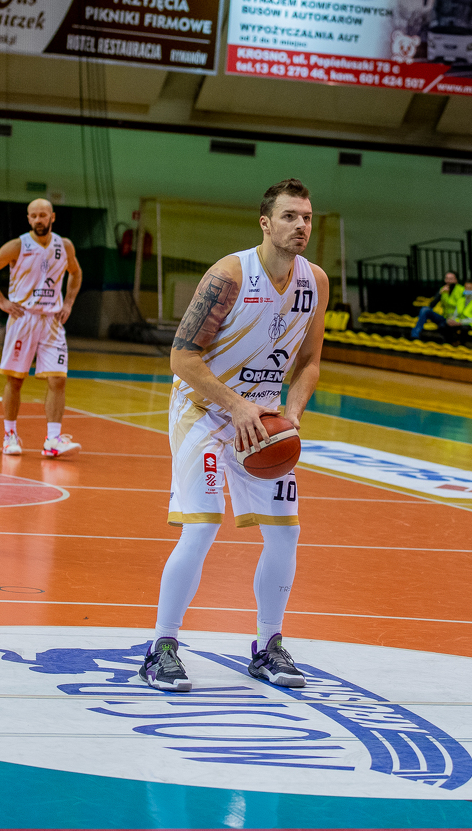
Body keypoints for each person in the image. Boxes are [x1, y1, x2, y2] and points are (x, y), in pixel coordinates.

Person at [140, 178, 329, 692]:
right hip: (205, 410)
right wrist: (236, 405)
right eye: (289, 216)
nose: (301, 226)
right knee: (202, 527)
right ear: (265, 223)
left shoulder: (315, 281)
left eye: (307, 217)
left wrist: (293, 411)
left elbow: (310, 360)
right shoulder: (229, 275)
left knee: (285, 532)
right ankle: (161, 648)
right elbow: (182, 358)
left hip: (262, 422)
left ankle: (269, 646)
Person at [0, 198, 83, 457]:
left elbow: (76, 272)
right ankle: (10, 436)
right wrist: (1, 301)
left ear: (52, 217)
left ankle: (53, 440)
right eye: (33, 215)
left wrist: (69, 302)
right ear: (28, 219)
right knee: (15, 380)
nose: (38, 220)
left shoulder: (64, 245)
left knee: (58, 380)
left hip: (52, 321)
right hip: (23, 319)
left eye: (43, 215)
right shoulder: (18, 245)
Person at [410, 270, 460, 339]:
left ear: (456, 280)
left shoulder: (461, 290)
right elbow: (431, 305)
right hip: (444, 318)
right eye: (447, 278)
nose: (448, 281)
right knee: (425, 309)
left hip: (456, 319)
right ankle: (415, 335)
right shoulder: (443, 290)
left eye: (451, 279)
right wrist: (439, 293)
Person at [441, 277, 472, 345]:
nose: (467, 290)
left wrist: (460, 322)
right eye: (466, 288)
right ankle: (451, 344)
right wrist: (452, 320)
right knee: (446, 325)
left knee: (464, 328)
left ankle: (462, 345)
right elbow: (455, 314)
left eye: (470, 288)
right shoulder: (461, 300)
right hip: (460, 322)